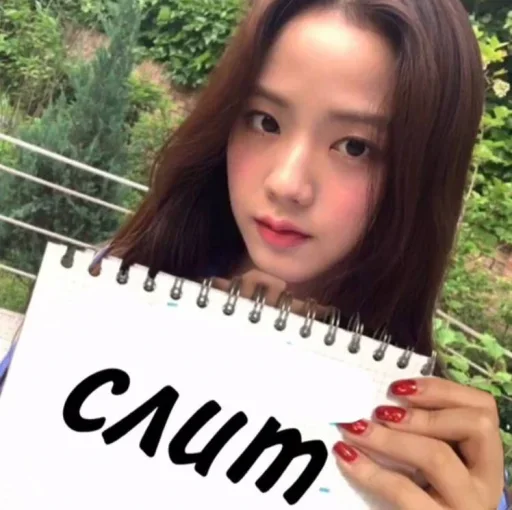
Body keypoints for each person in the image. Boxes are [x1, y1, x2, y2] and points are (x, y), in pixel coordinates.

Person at [0, 0, 510, 508]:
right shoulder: (104, 296)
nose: (287, 183)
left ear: (425, 175)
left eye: (356, 147)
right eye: (265, 121)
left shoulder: (440, 467)